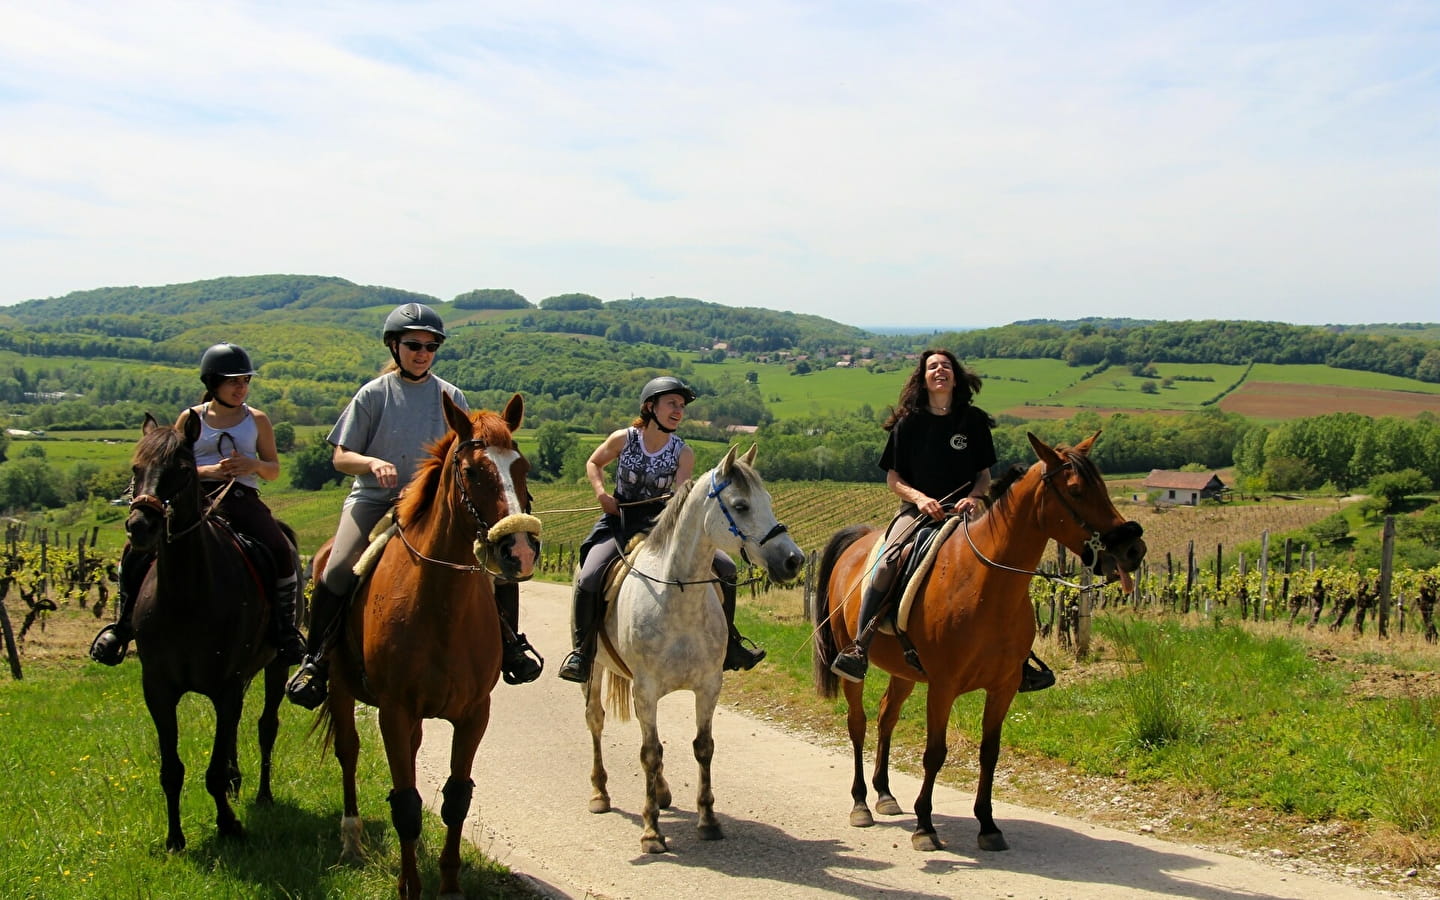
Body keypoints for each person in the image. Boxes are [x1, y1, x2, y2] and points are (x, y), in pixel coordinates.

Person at [285, 303, 542, 709]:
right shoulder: (373, 395)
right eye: (413, 345)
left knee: (496, 568)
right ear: (394, 346)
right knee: (336, 567)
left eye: (430, 346)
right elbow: (340, 456)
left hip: (429, 503)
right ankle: (315, 661)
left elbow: (467, 456)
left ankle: (511, 646)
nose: (422, 352)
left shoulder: (451, 396)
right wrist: (371, 463)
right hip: (374, 497)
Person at [829, 348, 1055, 692]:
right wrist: (920, 500)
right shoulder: (908, 423)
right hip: (917, 513)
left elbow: (983, 475)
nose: (940, 371)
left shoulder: (974, 421)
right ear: (923, 378)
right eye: (933, 367)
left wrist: (975, 497)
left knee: (1002, 567)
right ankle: (860, 645)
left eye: (946, 366)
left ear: (955, 376)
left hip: (965, 513)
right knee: (891, 559)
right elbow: (894, 479)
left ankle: (1016, 656)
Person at [89, 342, 307, 666]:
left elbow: (273, 469)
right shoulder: (190, 418)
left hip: (240, 497)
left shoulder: (258, 420)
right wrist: (209, 470)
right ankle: (121, 628)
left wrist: (253, 466)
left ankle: (285, 629)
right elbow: (168, 464)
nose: (241, 387)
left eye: (245, 380)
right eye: (234, 381)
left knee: (278, 547)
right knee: (134, 552)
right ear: (212, 383)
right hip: (191, 499)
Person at [556, 375, 766, 683]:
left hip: (662, 526)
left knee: (725, 566)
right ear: (650, 406)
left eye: (681, 406)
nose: (679, 410)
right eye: (672, 403)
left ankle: (730, 645)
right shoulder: (623, 438)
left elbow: (681, 493)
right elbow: (593, 463)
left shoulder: (684, 452)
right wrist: (602, 494)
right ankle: (582, 653)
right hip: (620, 521)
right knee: (589, 575)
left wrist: (676, 500)